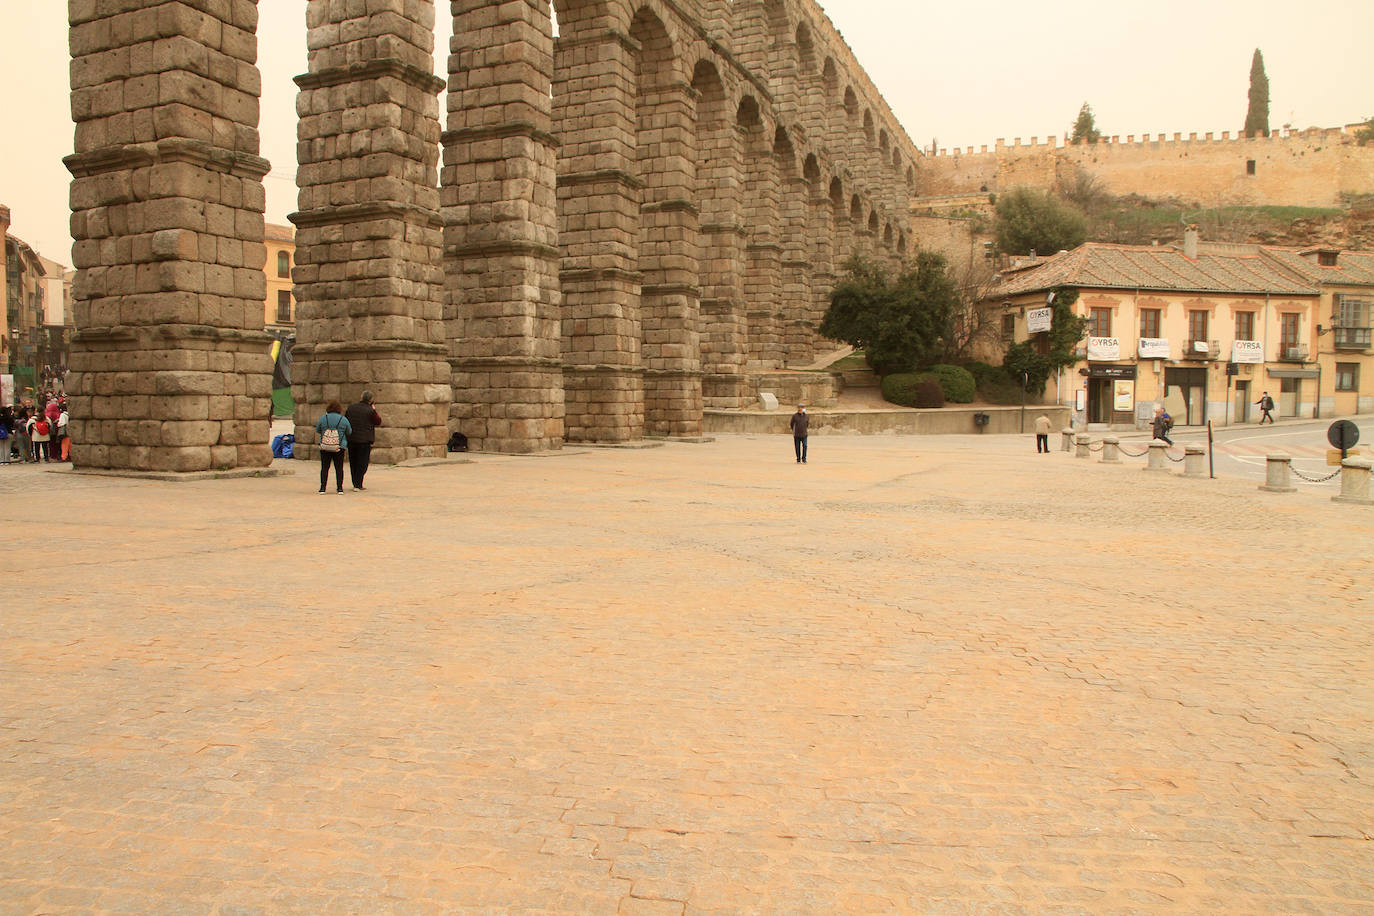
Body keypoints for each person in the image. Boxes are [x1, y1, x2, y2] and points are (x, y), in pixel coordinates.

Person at [343, 391, 383, 491]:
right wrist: (374, 410)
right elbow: (378, 421)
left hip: (352, 439)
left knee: (353, 461)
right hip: (364, 440)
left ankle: (355, 482)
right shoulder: (370, 410)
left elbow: (346, 419)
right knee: (363, 462)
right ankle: (358, 483)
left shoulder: (351, 408)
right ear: (370, 400)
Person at [315, 401, 352, 494]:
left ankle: (322, 488)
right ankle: (339, 488)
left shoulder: (324, 418)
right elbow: (349, 431)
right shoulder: (343, 419)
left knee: (324, 467)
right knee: (339, 468)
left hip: (325, 446)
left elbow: (318, 429)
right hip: (339, 446)